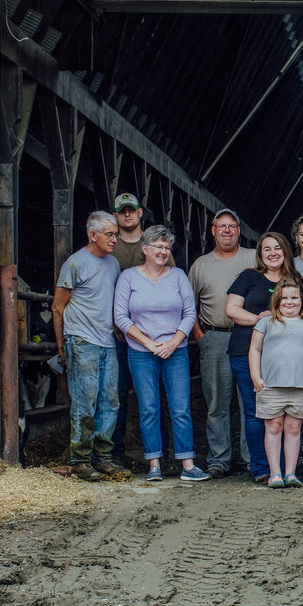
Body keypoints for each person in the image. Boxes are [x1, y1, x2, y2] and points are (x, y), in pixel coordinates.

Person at [113, 226, 209, 482]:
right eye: (158, 246)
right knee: (149, 408)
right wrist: (149, 343)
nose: (163, 251)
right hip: (141, 352)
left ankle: (187, 464)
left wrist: (174, 341)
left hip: (175, 351)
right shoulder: (129, 278)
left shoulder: (178, 276)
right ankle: (154, 463)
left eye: (167, 247)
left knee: (180, 407)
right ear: (145, 249)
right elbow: (120, 317)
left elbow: (190, 313)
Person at [226, 232, 303, 483]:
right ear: (260, 254)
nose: (272, 253)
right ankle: (262, 467)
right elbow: (232, 310)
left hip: (287, 358)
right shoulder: (248, 277)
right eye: (266, 249)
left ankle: (285, 469)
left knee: (287, 415)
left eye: (277, 248)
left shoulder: (295, 282)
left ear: (285, 251)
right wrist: (262, 320)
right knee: (254, 413)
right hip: (246, 351)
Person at [51, 211, 122, 483]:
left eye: (115, 234)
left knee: (110, 401)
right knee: (85, 401)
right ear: (93, 235)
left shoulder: (114, 264)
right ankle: (80, 460)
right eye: (109, 234)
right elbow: (58, 307)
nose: (114, 239)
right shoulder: (75, 263)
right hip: (81, 341)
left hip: (107, 341)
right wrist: (61, 346)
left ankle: (103, 458)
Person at [189, 208, 255, 478]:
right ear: (213, 231)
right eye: (221, 226)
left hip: (250, 336)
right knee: (217, 401)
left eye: (232, 226)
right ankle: (219, 459)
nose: (227, 231)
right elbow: (186, 304)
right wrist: (200, 336)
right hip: (215, 336)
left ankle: (253, 459)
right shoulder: (200, 265)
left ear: (239, 230)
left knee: (251, 400)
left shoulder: (253, 258)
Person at [109, 192, 173, 467]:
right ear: (115, 215)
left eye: (131, 210)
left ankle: (162, 452)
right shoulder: (109, 245)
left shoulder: (155, 245)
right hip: (119, 335)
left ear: (140, 212)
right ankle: (115, 453)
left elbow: (169, 286)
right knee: (118, 393)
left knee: (156, 395)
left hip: (154, 339)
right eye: (122, 211)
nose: (127, 215)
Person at [249, 277, 303, 489]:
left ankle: (291, 472)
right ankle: (275, 473)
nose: (289, 302)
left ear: (301, 299)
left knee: (293, 428)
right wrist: (257, 377)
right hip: (271, 386)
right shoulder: (266, 322)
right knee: (273, 428)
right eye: (284, 298)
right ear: (277, 300)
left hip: (301, 386)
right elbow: (255, 350)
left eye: (294, 298)